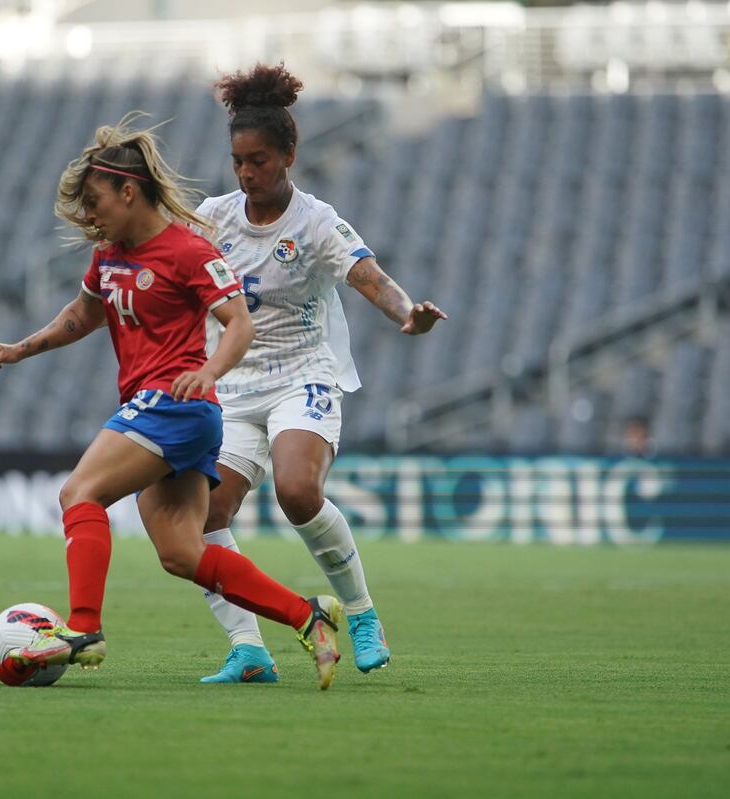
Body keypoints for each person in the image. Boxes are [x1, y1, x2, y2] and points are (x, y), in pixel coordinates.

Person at [0, 115, 346, 689]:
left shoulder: (188, 251)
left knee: (79, 492)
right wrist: (20, 349)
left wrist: (209, 371)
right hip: (165, 411)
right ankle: (309, 616)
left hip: (175, 405)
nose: (91, 216)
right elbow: (82, 316)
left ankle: (83, 627)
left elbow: (239, 324)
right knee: (181, 552)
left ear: (130, 191)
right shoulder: (109, 255)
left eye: (97, 201)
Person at [193, 65, 448, 684]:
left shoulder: (315, 222)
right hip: (230, 385)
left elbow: (368, 274)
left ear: (288, 155)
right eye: (238, 162)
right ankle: (249, 649)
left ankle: (361, 613)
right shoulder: (210, 218)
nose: (248, 173)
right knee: (202, 515)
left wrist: (405, 314)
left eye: (259, 160)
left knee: (298, 492)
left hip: (302, 376)